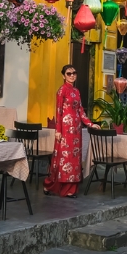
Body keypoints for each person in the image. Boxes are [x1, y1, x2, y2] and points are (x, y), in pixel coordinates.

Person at [44, 65, 100, 198]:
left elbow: (80, 110)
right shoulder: (61, 91)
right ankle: (53, 186)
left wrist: (91, 124)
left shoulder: (77, 91)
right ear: (64, 76)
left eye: (74, 73)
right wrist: (58, 131)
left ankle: (71, 188)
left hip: (76, 130)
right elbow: (58, 112)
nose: (72, 76)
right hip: (64, 130)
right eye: (69, 74)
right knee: (64, 159)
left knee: (74, 159)